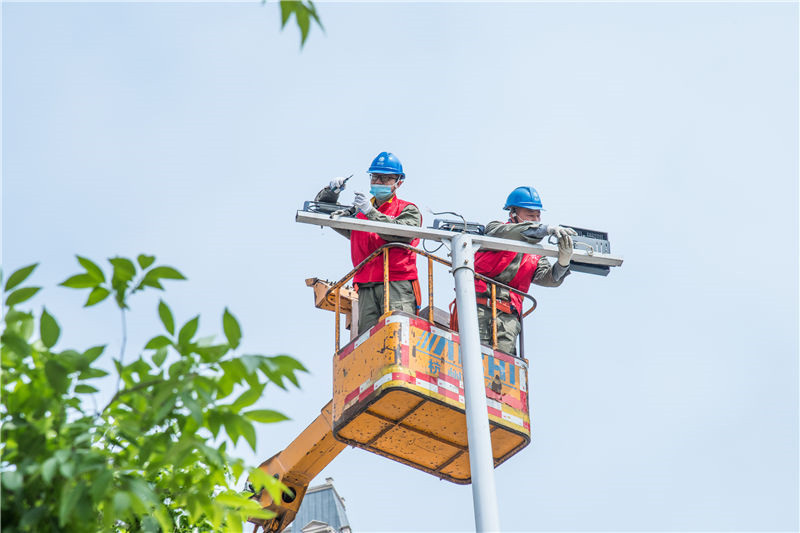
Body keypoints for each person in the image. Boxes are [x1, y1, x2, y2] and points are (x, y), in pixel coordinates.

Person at [316, 152, 422, 334]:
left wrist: (370, 212)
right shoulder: (359, 213)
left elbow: (402, 233)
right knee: (370, 340)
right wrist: (330, 193)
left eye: (385, 178)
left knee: (399, 335)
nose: (378, 182)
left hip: (396, 284)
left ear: (399, 182)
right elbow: (324, 212)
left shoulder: (407, 210)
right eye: (375, 176)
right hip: (365, 285)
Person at [473, 186, 577, 356]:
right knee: (475, 358)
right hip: (480, 309)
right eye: (530, 215)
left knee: (501, 369)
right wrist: (544, 230)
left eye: (538, 215)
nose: (535, 219)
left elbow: (549, 278)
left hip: (508, 319)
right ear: (513, 213)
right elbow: (516, 232)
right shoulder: (495, 230)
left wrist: (563, 262)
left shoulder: (535, 253)